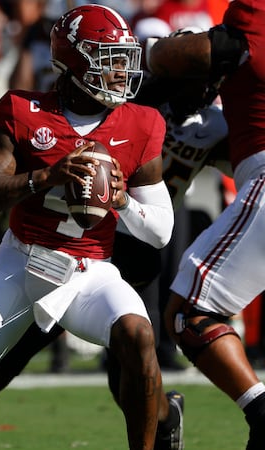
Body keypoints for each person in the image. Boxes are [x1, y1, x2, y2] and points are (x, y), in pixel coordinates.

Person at [0, 5, 176, 449]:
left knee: (138, 336)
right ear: (75, 60)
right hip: (22, 265)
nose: (121, 71)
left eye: (124, 59)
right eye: (109, 58)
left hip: (89, 271)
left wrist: (121, 202)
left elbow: (160, 231)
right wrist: (44, 177)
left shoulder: (142, 123)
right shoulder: (26, 111)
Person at [0, 70, 230, 450]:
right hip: (70, 246)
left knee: (127, 373)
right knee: (4, 364)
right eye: (199, 77)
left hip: (135, 244)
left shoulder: (207, 123)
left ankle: (165, 417)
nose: (205, 88)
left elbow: (238, 163)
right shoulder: (130, 102)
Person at [145, 0, 265, 447]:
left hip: (139, 237)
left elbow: (166, 57)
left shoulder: (208, 120)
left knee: (189, 313)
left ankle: (261, 412)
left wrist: (154, 54)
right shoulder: (140, 111)